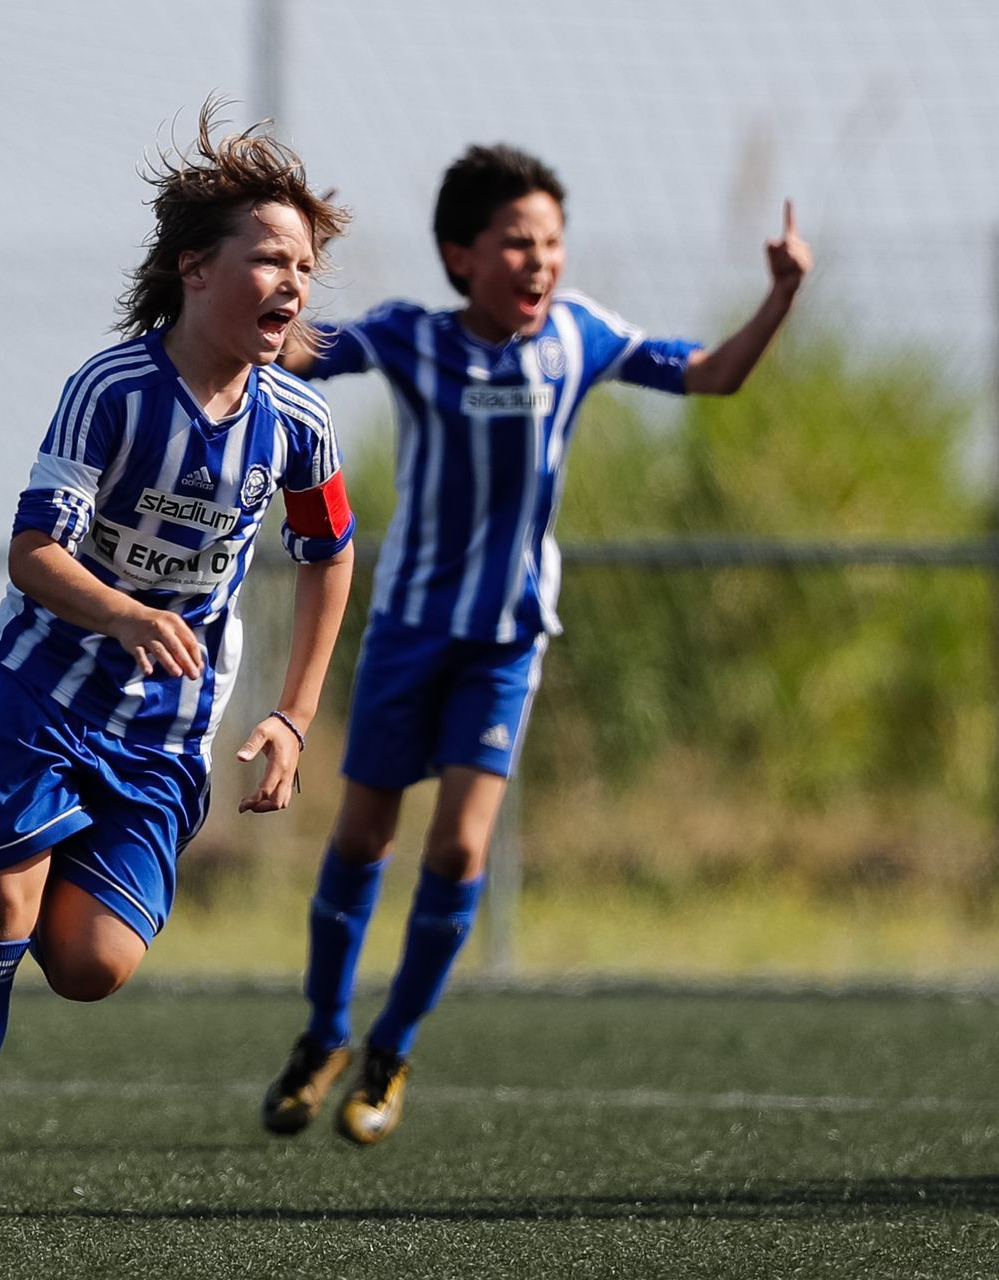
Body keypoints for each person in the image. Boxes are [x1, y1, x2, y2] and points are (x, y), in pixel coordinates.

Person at [260, 144, 814, 1147]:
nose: (540, 260)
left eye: (552, 241)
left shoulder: (580, 337)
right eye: (518, 241)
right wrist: (236, 281)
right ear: (459, 254)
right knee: (361, 839)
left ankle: (390, 1047)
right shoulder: (411, 338)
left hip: (506, 641)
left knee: (463, 842)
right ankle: (324, 1033)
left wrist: (778, 296)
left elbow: (712, 375)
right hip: (409, 631)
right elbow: (290, 349)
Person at [0, 104, 356, 1234]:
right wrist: (123, 612)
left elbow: (330, 555)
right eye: (268, 255)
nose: (291, 279)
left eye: (305, 263)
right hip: (42, 686)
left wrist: (295, 717)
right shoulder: (111, 389)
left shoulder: (299, 422)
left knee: (94, 963)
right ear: (196, 268)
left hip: (164, 724)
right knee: (1, 918)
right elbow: (31, 553)